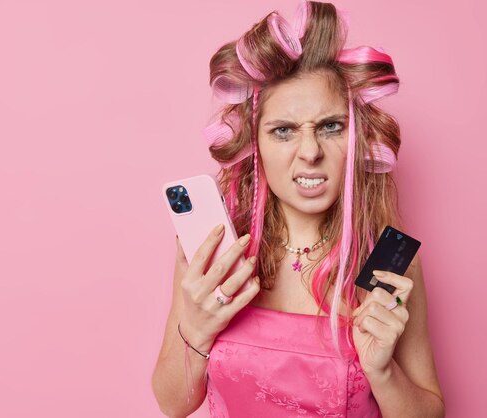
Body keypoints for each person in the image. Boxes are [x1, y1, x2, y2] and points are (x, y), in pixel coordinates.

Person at [152, 1, 445, 417]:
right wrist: (196, 331)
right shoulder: (216, 256)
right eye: (284, 131)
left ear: (356, 138)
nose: (310, 152)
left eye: (330, 126)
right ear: (256, 145)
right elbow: (172, 403)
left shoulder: (385, 262)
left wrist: (383, 371)